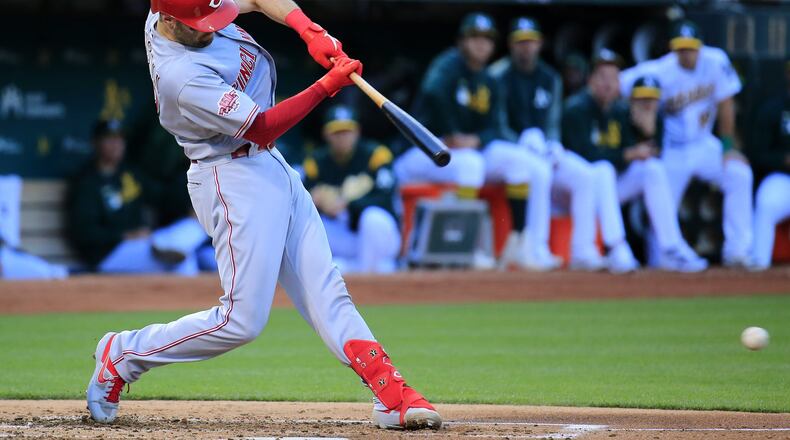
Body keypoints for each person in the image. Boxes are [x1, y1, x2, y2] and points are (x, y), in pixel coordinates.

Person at [86, 0, 441, 431]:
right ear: (168, 20)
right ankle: (123, 354)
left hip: (269, 165)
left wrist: (309, 30)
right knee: (241, 321)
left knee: (327, 287)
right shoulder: (180, 75)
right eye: (198, 25)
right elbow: (262, 127)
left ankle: (391, 394)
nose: (210, 29)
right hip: (231, 177)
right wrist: (326, 86)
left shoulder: (178, 7)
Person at [394, 12, 560, 271]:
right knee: (470, 163)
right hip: (422, 150)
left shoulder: (489, 79)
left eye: (487, 39)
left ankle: (518, 243)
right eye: (475, 37)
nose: (481, 44)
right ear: (462, 41)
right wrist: (452, 133)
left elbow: (495, 127)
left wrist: (475, 139)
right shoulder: (447, 66)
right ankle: (464, 246)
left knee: (519, 162)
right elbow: (434, 94)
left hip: (462, 151)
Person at [620, 20, 754, 267]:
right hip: (673, 149)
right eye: (681, 49)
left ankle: (738, 251)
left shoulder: (716, 61)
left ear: (700, 46)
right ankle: (659, 262)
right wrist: (638, 115)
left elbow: (726, 103)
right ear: (673, 49)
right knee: (662, 205)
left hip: (704, 144)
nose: (687, 54)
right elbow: (618, 84)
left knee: (739, 174)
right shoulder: (660, 70)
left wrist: (727, 148)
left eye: (691, 48)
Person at [490, 17, 608, 272]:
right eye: (521, 43)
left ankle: (584, 251)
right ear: (511, 45)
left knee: (585, 176)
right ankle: (536, 248)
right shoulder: (498, 76)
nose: (526, 48)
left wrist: (553, 144)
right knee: (539, 171)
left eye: (530, 42)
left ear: (540, 44)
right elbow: (496, 123)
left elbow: (553, 122)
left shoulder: (550, 77)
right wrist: (519, 142)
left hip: (542, 148)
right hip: (511, 149)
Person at [68, 120, 208, 275]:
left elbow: (163, 198)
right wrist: (123, 236)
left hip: (144, 243)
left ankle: (171, 250)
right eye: (110, 138)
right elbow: (84, 232)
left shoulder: (129, 174)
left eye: (120, 139)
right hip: (109, 253)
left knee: (196, 225)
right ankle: (176, 261)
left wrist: (189, 209)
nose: (116, 144)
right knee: (182, 259)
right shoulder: (86, 183)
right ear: (95, 143)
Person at [561, 50, 641, 273]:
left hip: (606, 190)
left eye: (613, 78)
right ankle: (615, 246)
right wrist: (625, 155)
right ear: (591, 80)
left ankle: (669, 249)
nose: (608, 84)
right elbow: (584, 154)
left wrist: (647, 130)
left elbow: (630, 153)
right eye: (602, 77)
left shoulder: (621, 110)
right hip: (571, 188)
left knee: (651, 169)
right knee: (602, 169)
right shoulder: (576, 108)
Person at [303, 105, 400, 273]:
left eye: (347, 131)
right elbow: (302, 201)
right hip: (346, 237)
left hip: (375, 239)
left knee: (373, 218)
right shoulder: (316, 161)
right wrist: (314, 201)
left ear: (357, 132)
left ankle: (366, 271)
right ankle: (354, 269)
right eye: (337, 132)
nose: (342, 137)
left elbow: (385, 199)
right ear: (326, 134)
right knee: (311, 225)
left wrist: (347, 204)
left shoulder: (376, 155)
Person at [748, 60, 790, 271]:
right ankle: (759, 265)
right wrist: (783, 159)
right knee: (766, 203)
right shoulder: (774, 109)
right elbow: (758, 154)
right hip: (783, 178)